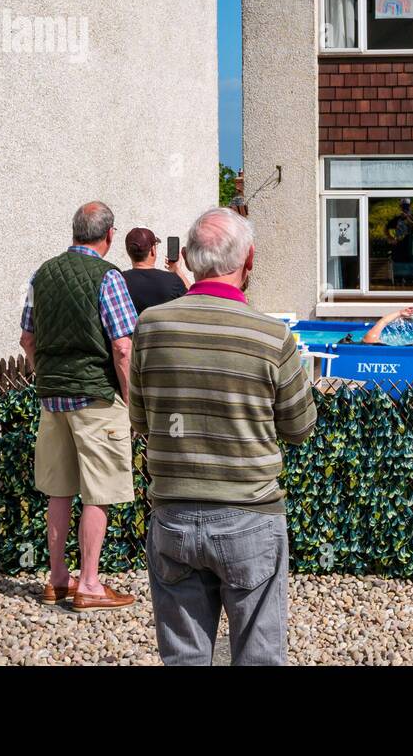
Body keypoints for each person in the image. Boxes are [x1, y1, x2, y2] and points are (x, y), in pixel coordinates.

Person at [129, 208, 318, 665]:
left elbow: (141, 419)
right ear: (248, 258)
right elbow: (300, 427)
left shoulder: (151, 326)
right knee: (258, 653)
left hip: (173, 515)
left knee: (183, 657)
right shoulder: (272, 336)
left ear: (191, 260)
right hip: (250, 515)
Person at [19, 201, 138, 611]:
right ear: (109, 236)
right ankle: (88, 583)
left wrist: (45, 376)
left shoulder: (42, 274)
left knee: (58, 489)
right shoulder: (108, 277)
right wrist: (131, 399)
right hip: (96, 397)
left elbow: (27, 340)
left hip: (52, 399)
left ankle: (56, 580)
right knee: (98, 492)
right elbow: (123, 347)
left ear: (74, 231)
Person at [121, 227, 191, 315]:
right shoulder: (172, 281)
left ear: (128, 251)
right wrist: (177, 270)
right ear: (152, 250)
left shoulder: (119, 280)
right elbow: (195, 300)